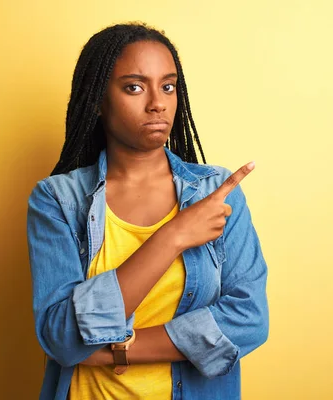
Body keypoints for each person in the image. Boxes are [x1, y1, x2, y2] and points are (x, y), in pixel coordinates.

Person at [27, 22, 269, 400]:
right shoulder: (58, 199)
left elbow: (249, 320)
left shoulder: (216, 194)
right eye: (134, 87)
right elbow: (61, 336)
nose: (158, 102)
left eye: (168, 86)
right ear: (97, 100)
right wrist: (172, 237)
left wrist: (117, 350)